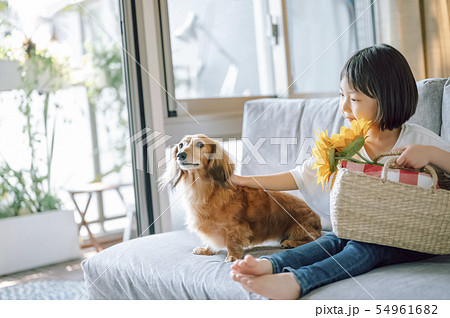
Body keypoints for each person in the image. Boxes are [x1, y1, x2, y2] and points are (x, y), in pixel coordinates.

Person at [229, 44, 450, 300]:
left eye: (354, 99)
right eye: (341, 96)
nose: (344, 108)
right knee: (337, 237)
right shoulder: (347, 145)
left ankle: (297, 282)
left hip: (415, 237)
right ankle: (270, 265)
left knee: (364, 246)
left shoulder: (418, 139)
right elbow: (299, 176)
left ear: (388, 98)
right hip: (364, 229)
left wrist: (431, 155)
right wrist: (242, 180)